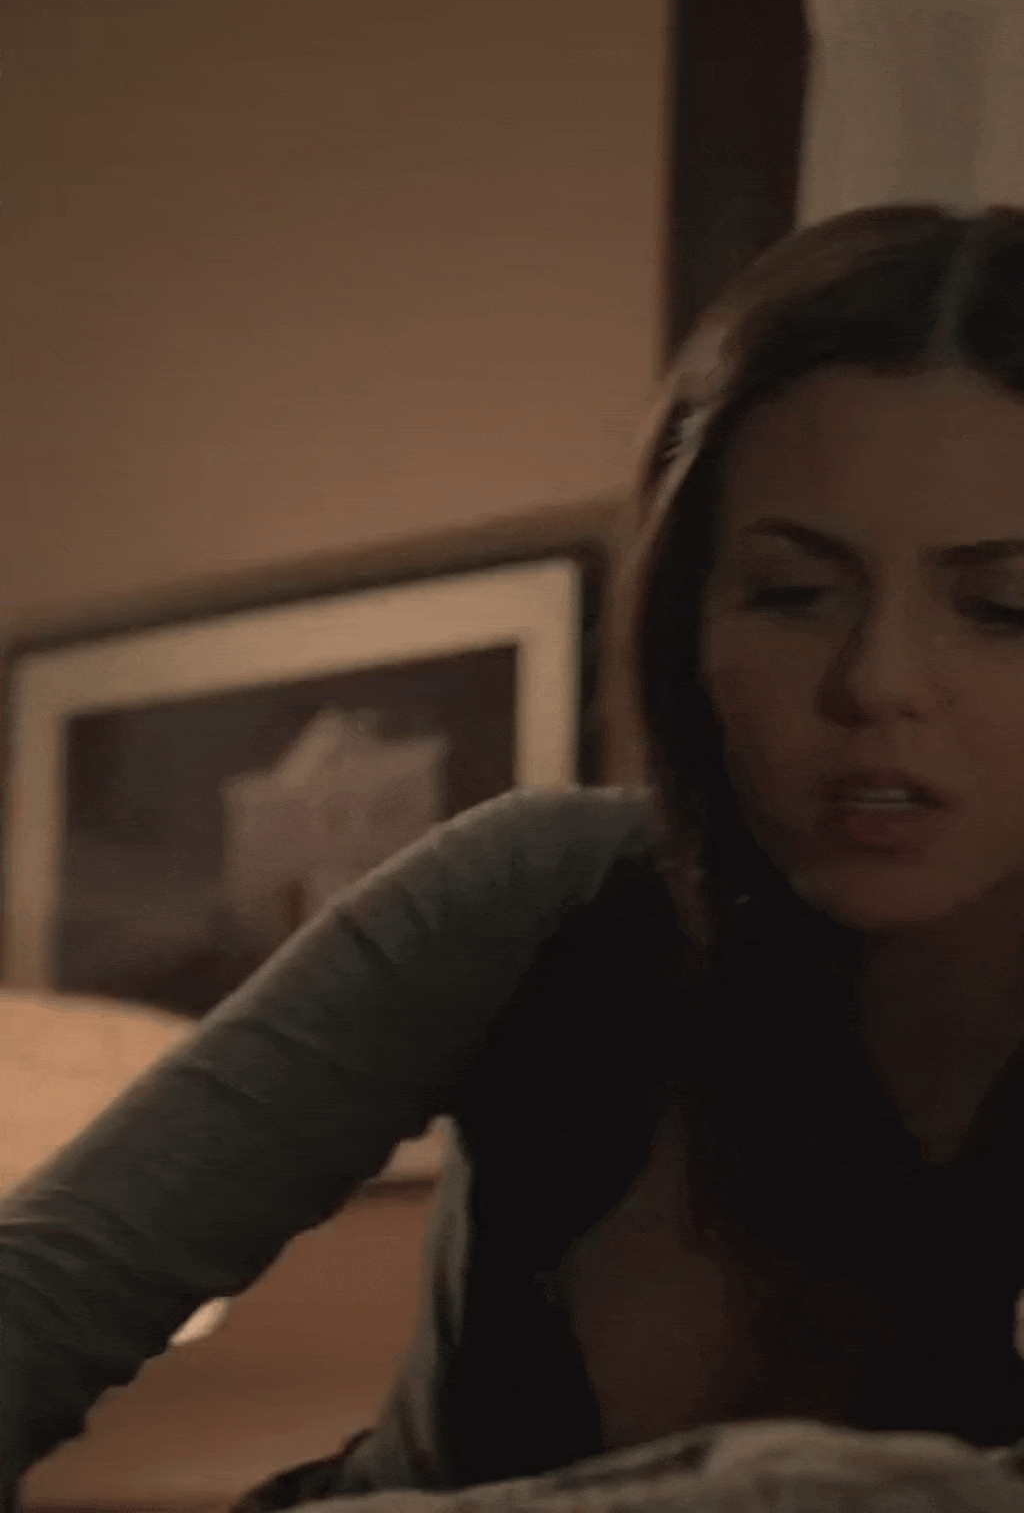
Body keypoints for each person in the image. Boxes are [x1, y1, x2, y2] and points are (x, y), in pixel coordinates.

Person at [3, 201, 1024, 1513]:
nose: (878, 683)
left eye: (1004, 606)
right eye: (791, 594)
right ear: (687, 614)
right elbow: (45, 1294)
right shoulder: (546, 894)